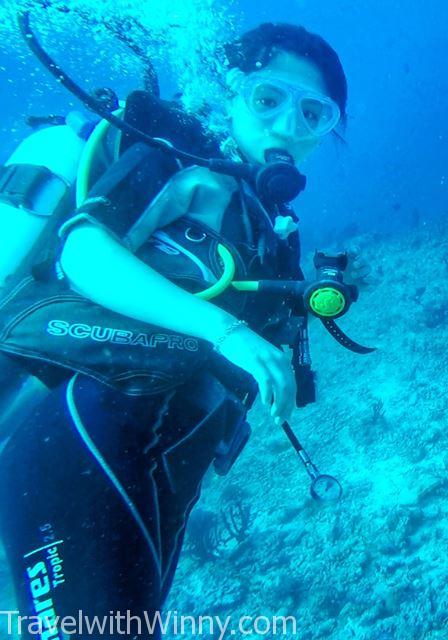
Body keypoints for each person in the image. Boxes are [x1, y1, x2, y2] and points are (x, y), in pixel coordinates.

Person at [0, 19, 348, 636]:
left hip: (159, 466)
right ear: (230, 92)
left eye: (314, 114)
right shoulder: (177, 153)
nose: (287, 128)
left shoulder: (265, 220)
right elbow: (84, 253)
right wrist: (228, 332)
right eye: (268, 100)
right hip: (89, 431)